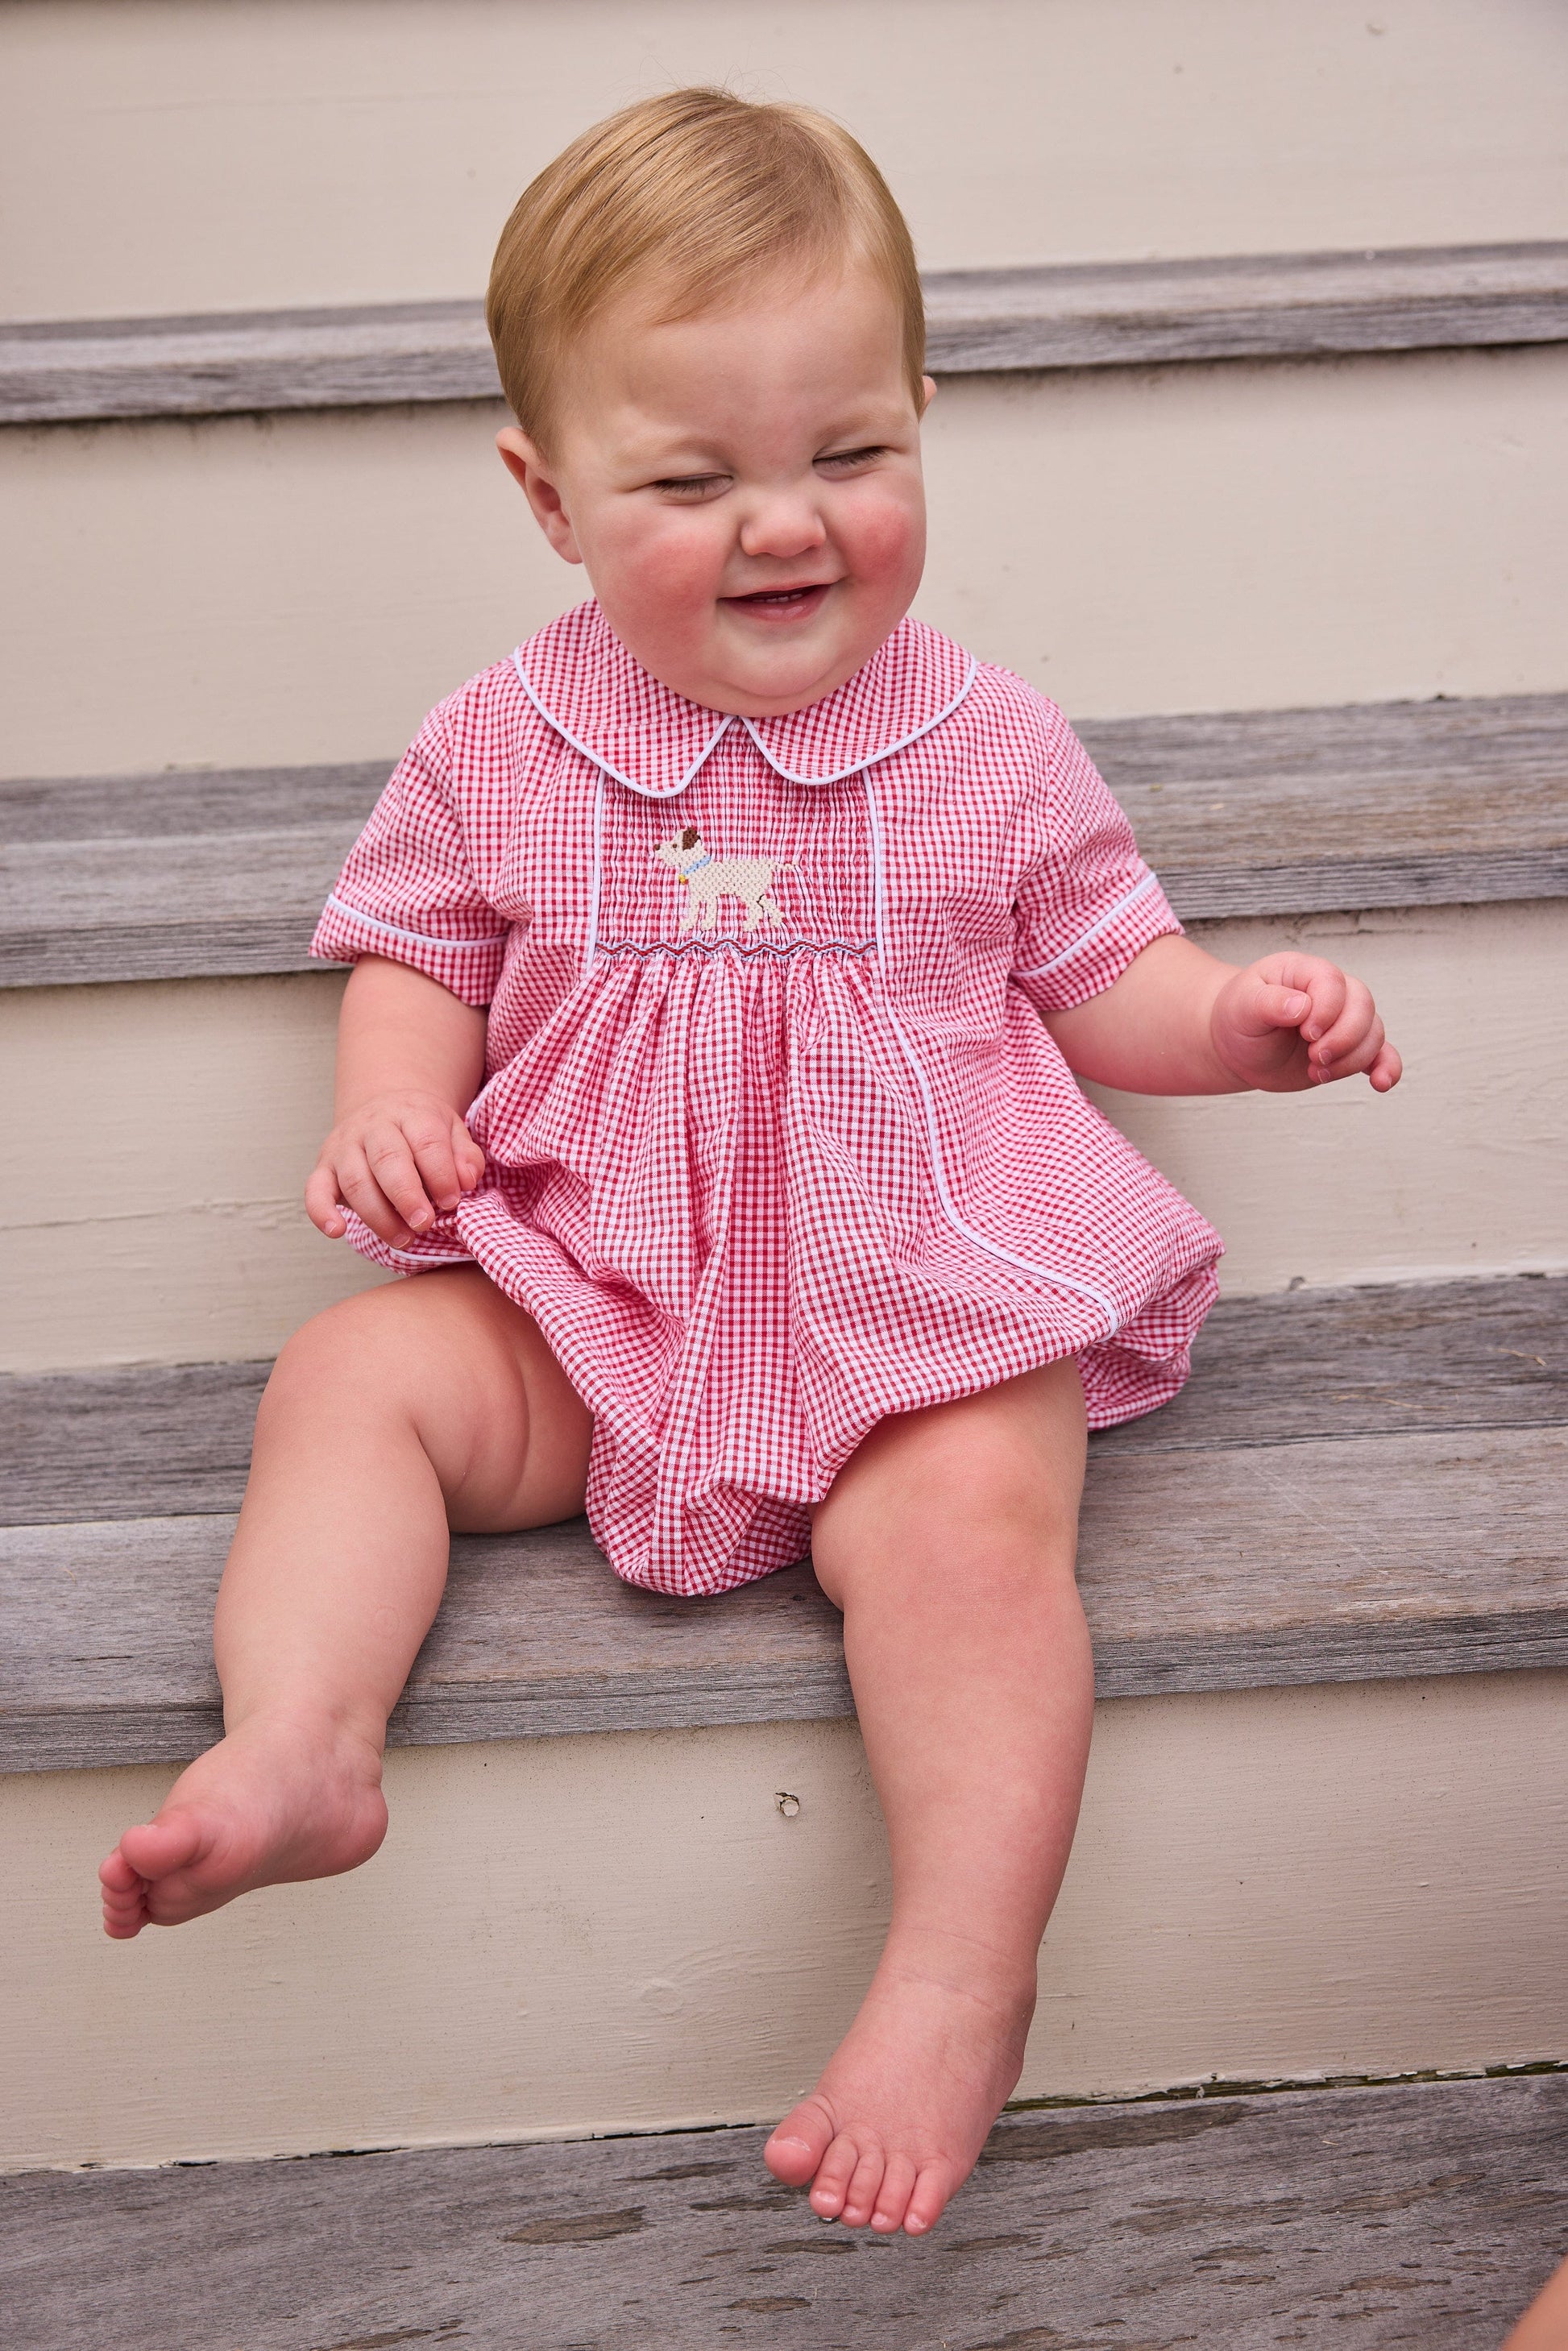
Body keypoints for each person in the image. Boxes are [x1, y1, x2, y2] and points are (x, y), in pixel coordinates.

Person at [97, 89, 1400, 2237]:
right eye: (692, 479)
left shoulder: (982, 744)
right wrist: (389, 1099)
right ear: (547, 497)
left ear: (922, 428)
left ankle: (956, 1978)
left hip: (920, 1293)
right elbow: (416, 949)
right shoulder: (502, 746)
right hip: (599, 1295)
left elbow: (1103, 974)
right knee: (350, 1383)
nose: (782, 523)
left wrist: (1234, 1029)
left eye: (848, 457)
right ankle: (306, 1737)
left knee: (976, 1538)